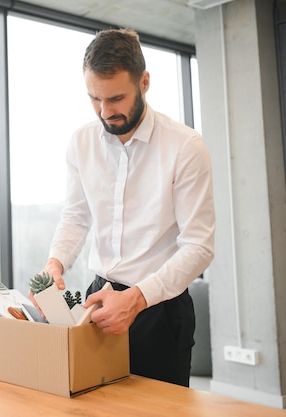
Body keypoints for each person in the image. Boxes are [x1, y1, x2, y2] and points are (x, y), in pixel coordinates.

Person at [39, 28, 215, 387]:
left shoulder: (185, 146)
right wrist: (54, 264)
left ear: (145, 82)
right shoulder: (81, 141)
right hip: (98, 300)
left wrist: (135, 299)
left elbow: (199, 246)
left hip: (159, 307)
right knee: (91, 404)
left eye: (116, 98)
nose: (106, 112)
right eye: (94, 99)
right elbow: (76, 217)